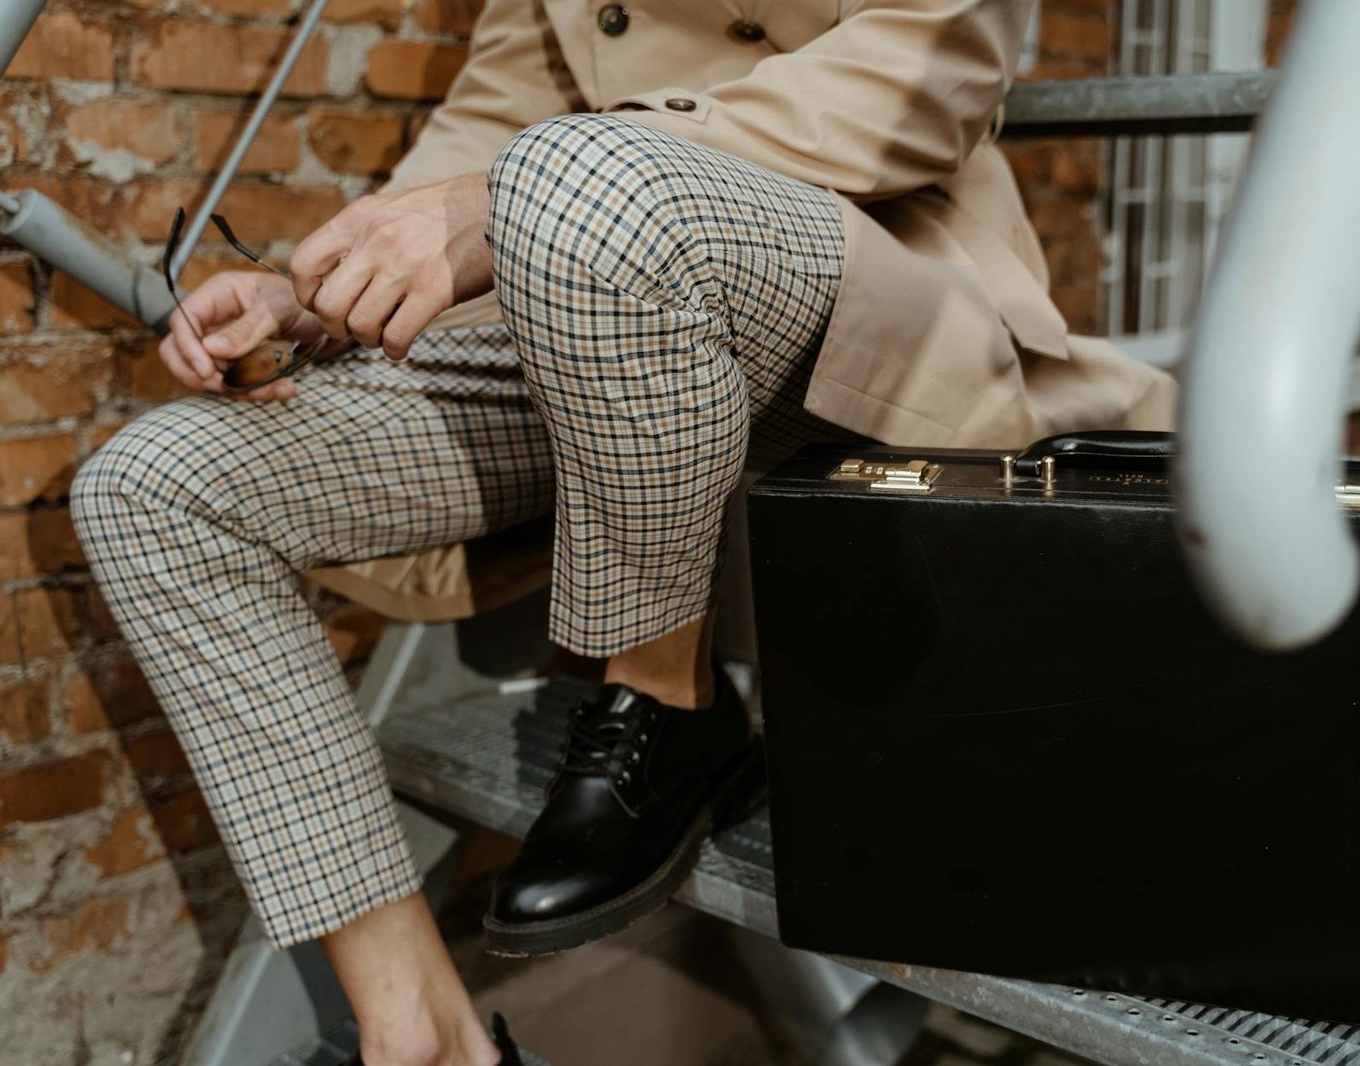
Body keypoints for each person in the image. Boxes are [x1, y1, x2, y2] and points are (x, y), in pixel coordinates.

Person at [70, 1, 1176, 1063]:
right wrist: (325, 288)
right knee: (151, 485)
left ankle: (665, 695)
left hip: (849, 266)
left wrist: (518, 199)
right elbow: (505, 96)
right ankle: (421, 1036)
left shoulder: (579, 179)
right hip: (575, 294)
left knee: (572, 178)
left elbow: (935, 68)